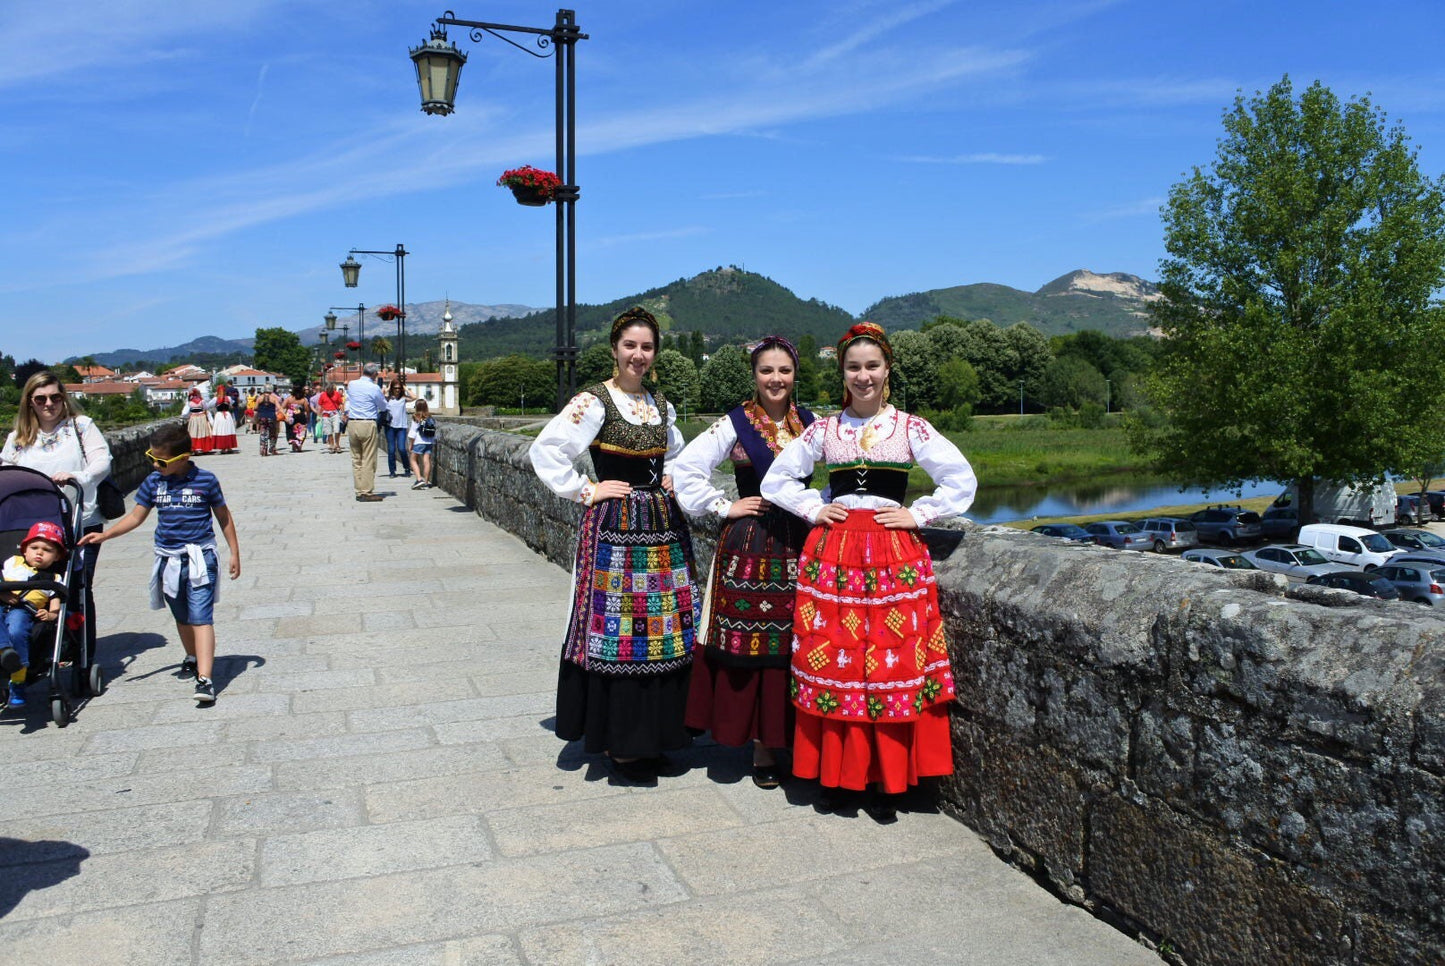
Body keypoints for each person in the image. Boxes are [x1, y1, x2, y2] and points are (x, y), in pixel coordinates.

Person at [761, 321, 977, 821]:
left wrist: (918, 514)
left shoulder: (910, 428)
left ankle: (887, 777)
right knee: (834, 658)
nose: (863, 376)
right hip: (834, 554)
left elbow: (960, 479)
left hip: (891, 554)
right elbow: (777, 481)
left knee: (888, 660)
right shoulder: (823, 430)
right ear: (842, 372)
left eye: (872, 366)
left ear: (887, 370)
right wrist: (815, 508)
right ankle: (840, 777)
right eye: (853, 367)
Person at [529, 306, 701, 782]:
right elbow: (545, 449)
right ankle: (623, 743)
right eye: (630, 346)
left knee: (662, 628)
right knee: (620, 631)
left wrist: (673, 476)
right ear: (614, 349)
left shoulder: (661, 406)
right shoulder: (595, 401)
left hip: (662, 529)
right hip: (615, 533)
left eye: (647, 347)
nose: (639, 355)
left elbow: (681, 456)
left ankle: (657, 736)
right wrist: (588, 489)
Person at [672, 336, 815, 789]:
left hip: (801, 542)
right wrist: (723, 505)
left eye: (784, 371)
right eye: (767, 371)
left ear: (796, 375)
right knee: (752, 641)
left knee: (795, 640)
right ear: (754, 375)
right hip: (752, 542)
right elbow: (685, 469)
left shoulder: (811, 423)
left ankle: (791, 737)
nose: (776, 379)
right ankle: (760, 746)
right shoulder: (735, 423)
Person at [79, 422, 241, 705]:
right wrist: (105, 535)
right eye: (150, 458)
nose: (155, 465)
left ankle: (205, 678)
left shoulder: (206, 481)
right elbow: (136, 517)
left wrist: (234, 552)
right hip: (167, 558)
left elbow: (223, 516)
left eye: (161, 461)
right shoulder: (154, 482)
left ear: (184, 457)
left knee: (201, 616)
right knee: (181, 614)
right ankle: (192, 657)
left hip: (200, 557)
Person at [1, 371, 114, 676]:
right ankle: (31, 650)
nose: (49, 403)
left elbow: (101, 461)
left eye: (55, 397)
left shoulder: (81, 427)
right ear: (30, 402)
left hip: (79, 520)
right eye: (41, 399)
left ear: (64, 398)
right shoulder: (19, 438)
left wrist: (78, 476)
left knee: (77, 587)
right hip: (31, 528)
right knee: (23, 587)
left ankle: (81, 653)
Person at [0, 522, 66, 708]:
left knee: (17, 630)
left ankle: (18, 682)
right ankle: (5, 651)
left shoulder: (53, 578)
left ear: (57, 556)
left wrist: (52, 614)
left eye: (47, 550)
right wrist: (3, 593)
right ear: (24, 550)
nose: (39, 553)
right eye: (34, 548)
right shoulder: (11, 562)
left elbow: (55, 603)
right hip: (1, 602)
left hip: (23, 611)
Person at [346, 363, 388, 502]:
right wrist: (383, 393)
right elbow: (383, 406)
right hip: (367, 423)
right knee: (369, 458)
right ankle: (367, 492)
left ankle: (359, 490)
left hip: (352, 423)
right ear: (375, 374)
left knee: (356, 458)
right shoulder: (374, 388)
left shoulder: (352, 384)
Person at [384, 379, 417, 478]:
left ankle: (407, 468)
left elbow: (414, 397)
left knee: (402, 448)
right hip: (390, 427)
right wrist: (389, 387)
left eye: (399, 388)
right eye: (395, 388)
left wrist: (405, 388)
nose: (397, 390)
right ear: (392, 388)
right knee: (391, 450)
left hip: (401, 427)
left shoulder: (403, 398)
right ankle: (392, 471)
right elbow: (382, 394)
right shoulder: (388, 398)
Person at [407, 399, 437, 489]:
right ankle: (426, 483)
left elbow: (412, 433)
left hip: (419, 441)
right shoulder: (430, 417)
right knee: (426, 461)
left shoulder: (416, 417)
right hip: (429, 442)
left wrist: (411, 444)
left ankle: (419, 479)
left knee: (412, 460)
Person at [209, 380, 239, 453]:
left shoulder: (216, 399)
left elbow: (209, 405)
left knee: (221, 431)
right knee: (228, 430)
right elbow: (233, 403)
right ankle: (229, 447)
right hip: (227, 415)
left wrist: (215, 396)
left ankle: (222, 448)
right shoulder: (228, 398)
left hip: (219, 415)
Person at [316, 382, 345, 454]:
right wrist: (319, 416)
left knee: (337, 430)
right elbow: (319, 405)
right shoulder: (323, 395)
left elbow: (341, 403)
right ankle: (332, 446)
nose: (329, 392)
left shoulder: (337, 394)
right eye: (327, 390)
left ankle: (337, 445)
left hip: (335, 413)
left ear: (332, 389)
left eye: (330, 390)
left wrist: (343, 414)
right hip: (326, 414)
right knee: (328, 431)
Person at [254, 384, 281, 456]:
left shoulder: (259, 398)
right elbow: (279, 408)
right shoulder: (274, 398)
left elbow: (255, 408)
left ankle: (263, 448)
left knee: (263, 433)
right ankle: (272, 448)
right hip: (272, 417)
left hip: (262, 417)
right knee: (273, 433)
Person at [184, 388, 213, 455]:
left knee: (193, 433)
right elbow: (206, 408)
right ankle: (202, 448)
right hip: (201, 418)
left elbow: (185, 413)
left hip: (193, 418)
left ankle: (195, 448)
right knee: (202, 432)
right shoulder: (202, 401)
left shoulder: (189, 402)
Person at [284, 385, 311, 453]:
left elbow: (283, 406)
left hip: (290, 416)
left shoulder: (289, 398)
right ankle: (299, 446)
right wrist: (308, 417)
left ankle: (293, 442)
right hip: (300, 416)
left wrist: (288, 408)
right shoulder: (303, 399)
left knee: (291, 430)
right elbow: (307, 409)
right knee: (301, 431)